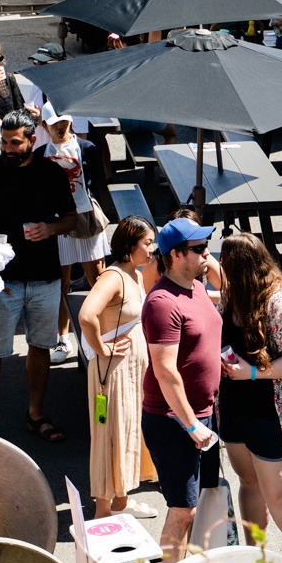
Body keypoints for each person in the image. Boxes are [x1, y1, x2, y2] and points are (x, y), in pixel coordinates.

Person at [0, 111, 79, 440]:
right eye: (4, 142)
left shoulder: (51, 173)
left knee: (40, 347)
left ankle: (35, 413)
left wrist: (50, 228)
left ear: (33, 140)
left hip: (45, 277)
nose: (8, 148)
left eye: (15, 142)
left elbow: (72, 219)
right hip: (3, 281)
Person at [216, 231, 282, 563]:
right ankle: (254, 555)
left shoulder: (280, 302)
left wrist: (251, 373)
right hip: (234, 407)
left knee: (279, 494)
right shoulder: (233, 294)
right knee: (248, 482)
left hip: (271, 412)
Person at [140, 216, 223, 563]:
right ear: (175, 255)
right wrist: (191, 426)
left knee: (199, 501)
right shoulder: (162, 303)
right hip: (175, 422)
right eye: (199, 248)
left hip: (203, 413)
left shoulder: (196, 286)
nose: (206, 254)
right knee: (182, 509)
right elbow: (165, 372)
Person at [79, 217, 157, 519]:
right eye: (147, 243)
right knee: (109, 434)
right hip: (111, 373)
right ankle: (103, 509)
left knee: (128, 430)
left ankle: (121, 502)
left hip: (133, 370)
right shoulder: (113, 277)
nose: (152, 249)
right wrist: (103, 348)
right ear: (130, 244)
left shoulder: (135, 274)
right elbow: (87, 315)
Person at [40, 103, 110, 357]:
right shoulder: (40, 154)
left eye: (64, 121)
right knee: (61, 282)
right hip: (58, 223)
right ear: (45, 125)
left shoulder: (87, 148)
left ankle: (103, 333)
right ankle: (62, 339)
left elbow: (98, 183)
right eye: (54, 123)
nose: (60, 127)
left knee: (98, 279)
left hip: (86, 218)